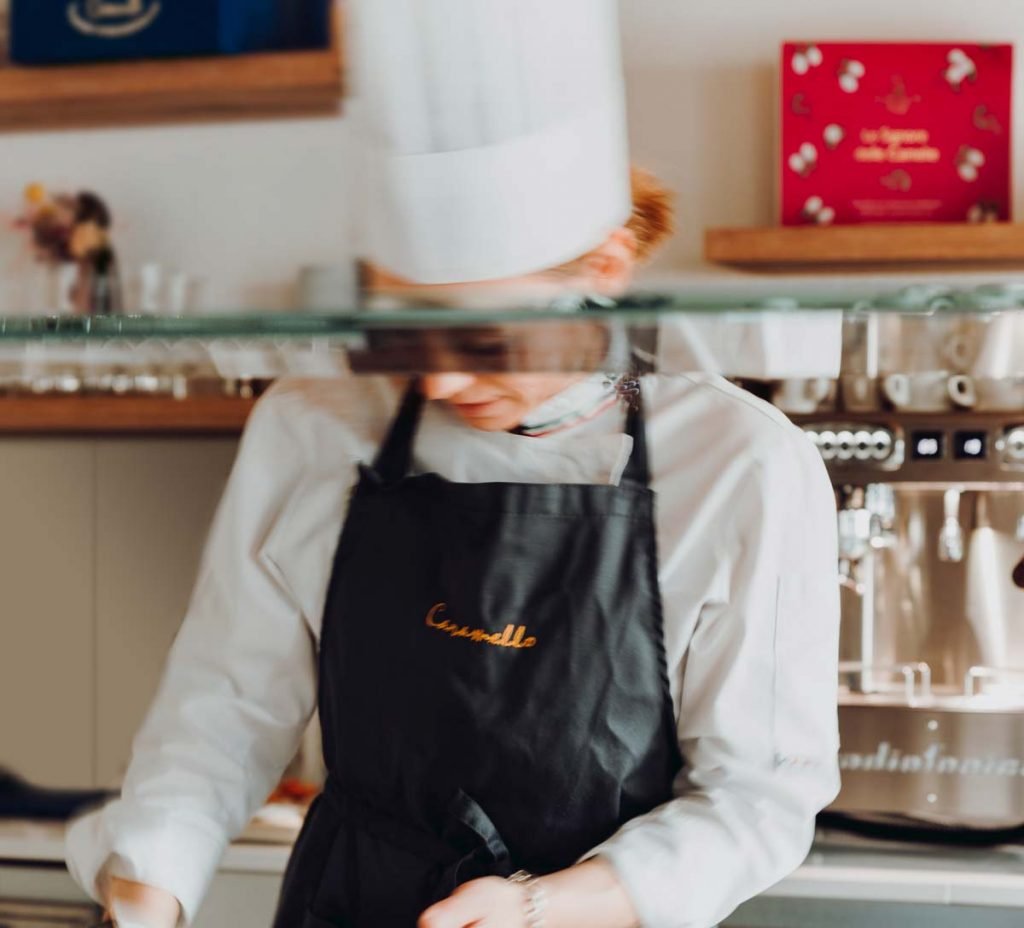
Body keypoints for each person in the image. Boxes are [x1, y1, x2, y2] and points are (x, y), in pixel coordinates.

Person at [66, 4, 841, 927]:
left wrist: (542, 908)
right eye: (402, 329)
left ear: (605, 266)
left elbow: (757, 797)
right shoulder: (315, 427)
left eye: (483, 336)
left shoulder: (741, 465)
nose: (437, 373)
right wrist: (146, 893)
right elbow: (222, 709)